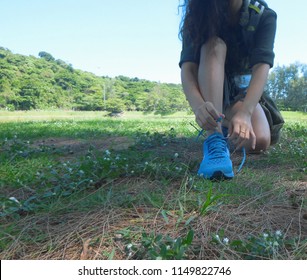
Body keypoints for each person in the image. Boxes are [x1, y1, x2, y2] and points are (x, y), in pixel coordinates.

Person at [179, 0, 277, 180]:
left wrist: (246, 112)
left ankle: (224, 123)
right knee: (214, 45)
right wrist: (199, 106)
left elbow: (261, 67)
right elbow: (188, 69)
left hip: (244, 94)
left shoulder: (263, 15)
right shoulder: (197, 14)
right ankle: (214, 137)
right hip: (210, 89)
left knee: (260, 141)